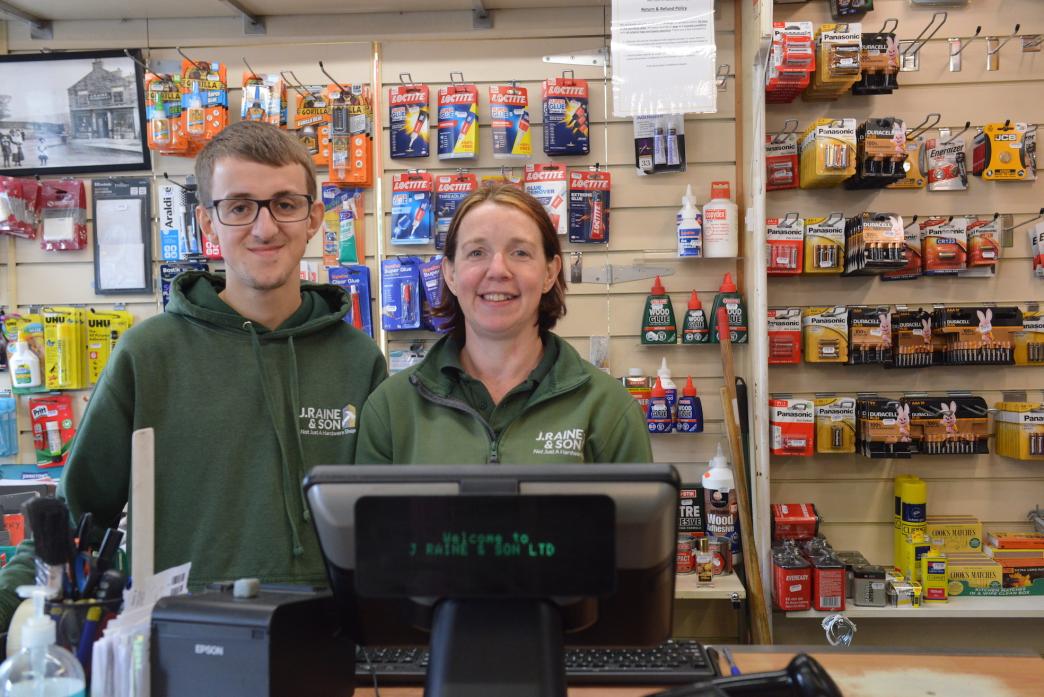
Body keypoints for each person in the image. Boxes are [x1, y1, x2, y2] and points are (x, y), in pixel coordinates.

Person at [0, 121, 387, 629]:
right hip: (178, 638)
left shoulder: (360, 360)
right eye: (240, 206)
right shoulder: (149, 352)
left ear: (314, 218)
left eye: (285, 204)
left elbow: (384, 529)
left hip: (325, 636)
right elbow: (74, 517)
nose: (265, 228)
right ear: (207, 222)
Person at [355, 184, 652, 464]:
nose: (498, 269)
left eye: (520, 252)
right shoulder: (391, 409)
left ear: (550, 272)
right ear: (450, 274)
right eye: (476, 253)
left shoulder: (609, 409)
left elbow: (641, 520)